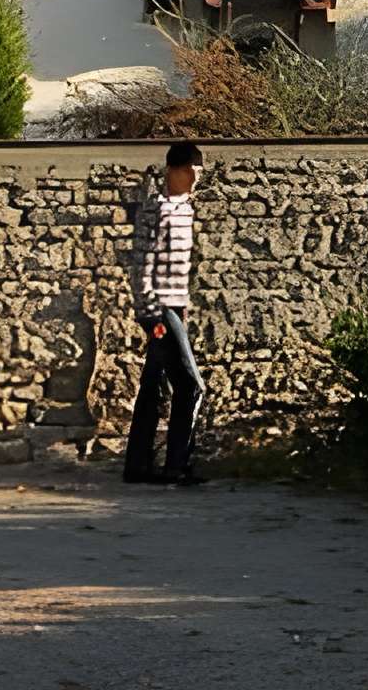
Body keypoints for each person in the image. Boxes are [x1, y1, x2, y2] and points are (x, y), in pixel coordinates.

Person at [124, 137, 205, 485]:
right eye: (190, 170)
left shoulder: (187, 210)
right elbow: (140, 266)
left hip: (175, 308)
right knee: (191, 386)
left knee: (154, 385)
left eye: (199, 171)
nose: (196, 177)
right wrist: (153, 316)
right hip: (159, 310)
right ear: (173, 171)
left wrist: (181, 310)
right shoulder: (155, 209)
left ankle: (137, 466)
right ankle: (177, 465)